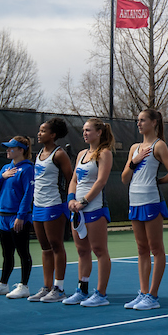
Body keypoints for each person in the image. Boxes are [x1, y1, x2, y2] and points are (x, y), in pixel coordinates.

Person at [120, 109, 168, 311]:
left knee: (156, 249)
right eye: (137, 120)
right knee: (141, 249)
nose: (139, 123)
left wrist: (157, 182)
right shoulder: (134, 148)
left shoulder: (159, 146)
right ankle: (143, 293)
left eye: (142, 120)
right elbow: (125, 178)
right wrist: (134, 161)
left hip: (151, 201)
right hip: (134, 202)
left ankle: (153, 295)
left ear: (154, 123)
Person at [63, 118, 115, 307]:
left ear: (99, 132)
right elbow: (74, 180)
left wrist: (84, 201)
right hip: (77, 209)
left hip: (94, 208)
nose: (84, 133)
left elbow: (100, 181)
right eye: (83, 130)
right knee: (82, 250)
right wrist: (71, 199)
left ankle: (100, 294)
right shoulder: (81, 154)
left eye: (88, 130)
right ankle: (82, 290)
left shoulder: (105, 153)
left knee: (99, 250)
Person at [28, 118, 74, 302]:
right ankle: (46, 287)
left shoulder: (59, 154)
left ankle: (59, 288)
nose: (39, 134)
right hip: (37, 206)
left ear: (53, 135)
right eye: (39, 130)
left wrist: (69, 200)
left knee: (56, 245)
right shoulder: (39, 153)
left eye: (43, 131)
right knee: (45, 247)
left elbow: (71, 179)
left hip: (54, 205)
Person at [0, 136, 35, 299]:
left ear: (21, 150)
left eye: (11, 148)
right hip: (3, 217)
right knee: (7, 253)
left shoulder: (28, 169)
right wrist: (2, 176)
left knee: (22, 252)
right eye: (7, 147)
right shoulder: (5, 168)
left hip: (18, 218)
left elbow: (28, 194)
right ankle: (3, 284)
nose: (8, 150)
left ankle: (24, 286)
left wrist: (21, 216)